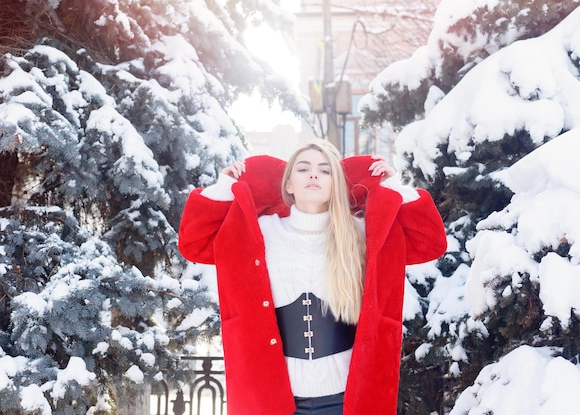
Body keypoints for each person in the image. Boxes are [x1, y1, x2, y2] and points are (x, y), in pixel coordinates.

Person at [178, 139, 447, 415]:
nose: (314, 174)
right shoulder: (261, 231)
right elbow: (194, 244)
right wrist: (223, 189)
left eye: (325, 170)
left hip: (346, 398)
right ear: (289, 185)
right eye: (303, 168)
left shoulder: (361, 234)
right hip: (273, 398)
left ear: (336, 185)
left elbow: (430, 243)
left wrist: (394, 189)